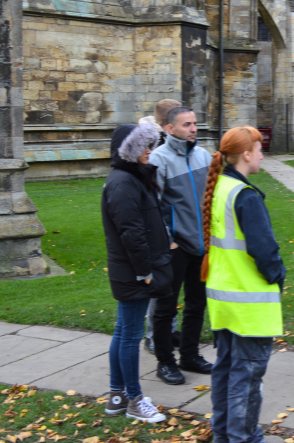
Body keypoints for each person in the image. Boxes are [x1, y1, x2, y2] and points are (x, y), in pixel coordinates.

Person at [202, 126, 286, 443]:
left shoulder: (219, 186)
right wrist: (279, 275)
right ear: (246, 154)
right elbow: (265, 253)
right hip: (249, 304)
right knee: (247, 377)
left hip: (223, 300)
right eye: (259, 148)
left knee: (225, 370)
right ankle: (244, 437)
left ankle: (223, 434)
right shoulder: (245, 196)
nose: (263, 154)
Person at [101, 122, 169, 423]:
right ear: (128, 150)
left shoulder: (131, 178)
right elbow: (131, 232)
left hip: (131, 270)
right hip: (133, 271)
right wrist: (145, 271)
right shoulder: (123, 183)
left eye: (151, 145)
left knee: (122, 331)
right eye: (144, 146)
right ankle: (133, 400)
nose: (149, 151)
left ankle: (117, 396)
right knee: (130, 336)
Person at [150, 106, 213, 384]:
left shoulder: (203, 156)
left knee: (196, 304)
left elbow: (212, 197)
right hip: (176, 249)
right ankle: (165, 362)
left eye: (194, 124)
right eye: (186, 124)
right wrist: (168, 239)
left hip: (202, 247)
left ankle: (190, 356)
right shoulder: (158, 159)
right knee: (165, 308)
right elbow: (151, 206)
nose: (193, 129)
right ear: (169, 128)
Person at [142, 99, 181, 354]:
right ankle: (153, 335)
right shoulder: (154, 152)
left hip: (178, 230)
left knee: (171, 286)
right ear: (169, 124)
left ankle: (170, 329)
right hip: (161, 232)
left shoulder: (169, 145)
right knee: (160, 287)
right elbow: (153, 199)